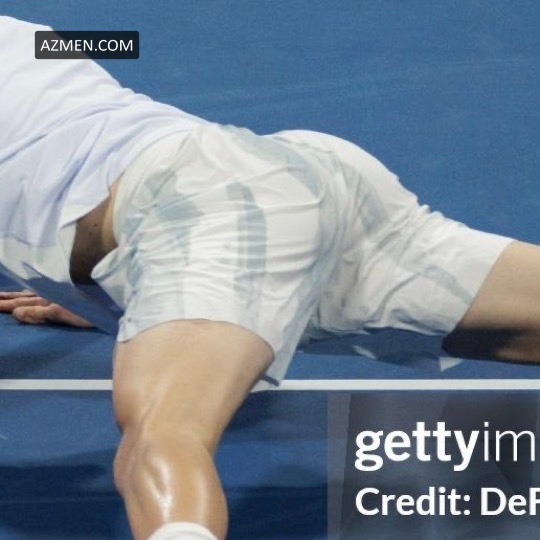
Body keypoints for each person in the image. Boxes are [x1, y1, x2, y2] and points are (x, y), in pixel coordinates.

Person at [1, 14, 540, 540]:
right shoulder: (35, 35)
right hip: (299, 172)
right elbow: (107, 52)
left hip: (211, 215)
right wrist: (122, 292)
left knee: (163, 436)